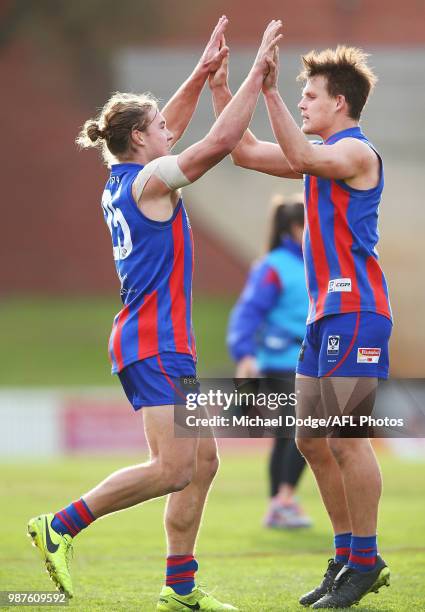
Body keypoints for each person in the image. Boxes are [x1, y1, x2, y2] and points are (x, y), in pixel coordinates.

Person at [27, 17, 283, 612]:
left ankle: (180, 588)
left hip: (165, 343)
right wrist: (253, 74)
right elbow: (219, 142)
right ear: (140, 140)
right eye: (160, 128)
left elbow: (167, 126)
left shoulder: (121, 178)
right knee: (172, 468)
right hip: (154, 342)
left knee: (203, 462)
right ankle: (60, 525)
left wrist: (200, 72)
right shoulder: (149, 185)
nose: (169, 129)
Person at [209, 40, 392, 608]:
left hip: (357, 311)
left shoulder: (356, 153)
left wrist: (267, 90)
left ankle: (366, 560)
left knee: (346, 437)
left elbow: (307, 158)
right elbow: (243, 150)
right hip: (323, 316)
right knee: (311, 438)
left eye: (310, 95)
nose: (303, 101)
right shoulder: (318, 149)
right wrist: (222, 84)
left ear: (340, 102)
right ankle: (346, 558)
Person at [227, 194, 312, 529]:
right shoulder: (273, 266)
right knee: (305, 430)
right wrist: (243, 354)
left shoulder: (314, 263)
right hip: (281, 360)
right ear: (295, 227)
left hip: (306, 360)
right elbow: (247, 313)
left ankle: (280, 503)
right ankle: (284, 500)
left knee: (289, 433)